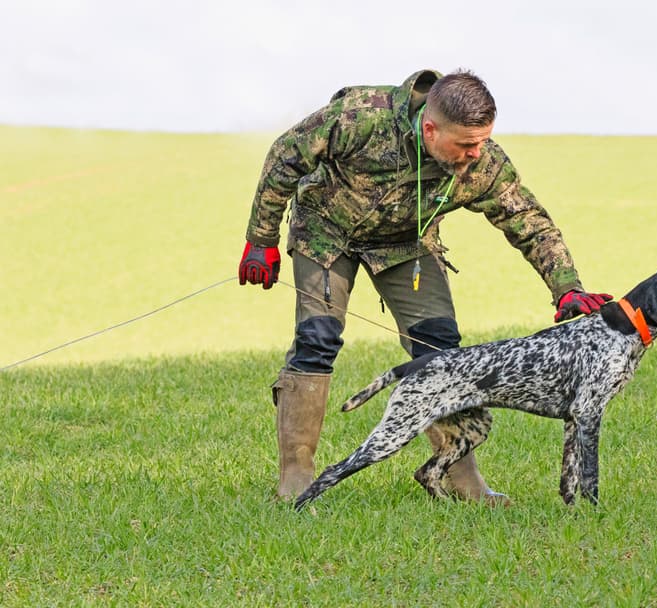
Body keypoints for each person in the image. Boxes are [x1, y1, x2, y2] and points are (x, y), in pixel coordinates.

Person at [238, 69, 611, 502]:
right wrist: (260, 241)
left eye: (483, 141)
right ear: (430, 129)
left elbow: (528, 220)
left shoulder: (483, 163)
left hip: (406, 247)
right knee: (317, 339)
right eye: (467, 144)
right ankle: (296, 476)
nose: (476, 153)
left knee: (441, 347)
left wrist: (566, 287)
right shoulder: (362, 118)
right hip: (326, 235)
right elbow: (286, 155)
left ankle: (459, 477)